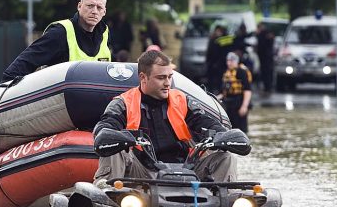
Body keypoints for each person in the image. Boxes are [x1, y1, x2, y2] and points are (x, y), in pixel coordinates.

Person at [93, 50, 238, 184]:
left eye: (169, 77)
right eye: (161, 78)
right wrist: (115, 136)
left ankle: (228, 203)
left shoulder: (183, 101)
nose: (167, 83)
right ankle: (107, 194)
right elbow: (105, 126)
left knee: (226, 157)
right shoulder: (123, 103)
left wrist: (224, 135)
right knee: (114, 149)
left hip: (186, 170)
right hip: (142, 173)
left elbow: (206, 122)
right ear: (143, 77)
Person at [2, 0, 111, 82]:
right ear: (79, 6)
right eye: (90, 6)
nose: (94, 11)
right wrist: (4, 90)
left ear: (104, 12)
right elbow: (25, 62)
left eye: (99, 7)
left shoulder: (104, 33)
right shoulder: (60, 33)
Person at [218, 52, 252, 133]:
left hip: (239, 103)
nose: (229, 63)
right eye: (228, 61)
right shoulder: (227, 72)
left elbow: (247, 90)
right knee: (230, 129)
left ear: (236, 61)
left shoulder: (241, 72)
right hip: (229, 104)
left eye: (231, 61)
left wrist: (244, 106)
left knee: (241, 130)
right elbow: (223, 92)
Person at [205, 24, 234, 94]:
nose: (217, 32)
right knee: (211, 80)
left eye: (219, 31)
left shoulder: (223, 40)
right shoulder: (213, 39)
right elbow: (209, 51)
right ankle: (211, 91)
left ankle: (220, 92)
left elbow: (223, 52)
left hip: (220, 63)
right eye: (217, 31)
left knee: (220, 79)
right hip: (212, 63)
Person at [256, 22, 276, 95]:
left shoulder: (263, 34)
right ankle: (268, 87)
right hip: (266, 57)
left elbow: (262, 45)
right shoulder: (265, 34)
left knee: (266, 73)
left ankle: (268, 88)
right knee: (267, 73)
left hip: (266, 57)